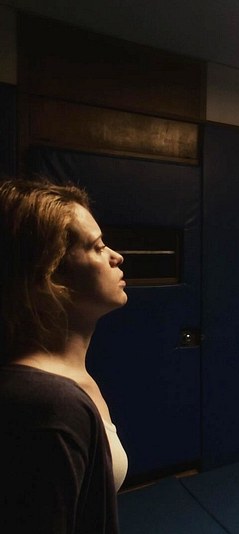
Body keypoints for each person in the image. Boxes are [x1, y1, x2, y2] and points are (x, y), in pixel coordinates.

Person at [0, 178, 128, 533]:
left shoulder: (69, 382)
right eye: (97, 246)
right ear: (48, 273)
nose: (116, 256)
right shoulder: (48, 405)